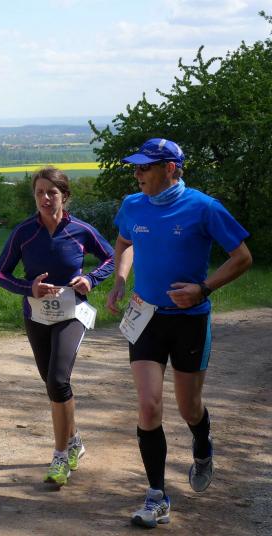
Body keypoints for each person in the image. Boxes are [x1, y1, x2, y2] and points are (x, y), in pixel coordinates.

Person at [106, 138, 252, 528]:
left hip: (190, 321)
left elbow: (242, 257)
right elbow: (125, 241)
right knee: (149, 406)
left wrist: (203, 288)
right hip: (146, 317)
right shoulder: (132, 205)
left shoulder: (204, 207)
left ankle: (202, 445)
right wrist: (120, 279)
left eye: (144, 168)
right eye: (135, 168)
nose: (137, 175)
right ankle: (156, 497)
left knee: (189, 408)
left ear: (170, 168)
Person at [0, 166, 115, 487]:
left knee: (59, 380)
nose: (45, 198)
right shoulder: (24, 232)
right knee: (51, 383)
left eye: (52, 192)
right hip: (37, 315)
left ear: (65, 195)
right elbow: (0, 274)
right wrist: (29, 288)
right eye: (39, 193)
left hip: (72, 313)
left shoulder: (80, 230)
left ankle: (60, 456)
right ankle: (74, 441)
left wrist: (91, 279)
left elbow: (112, 258)